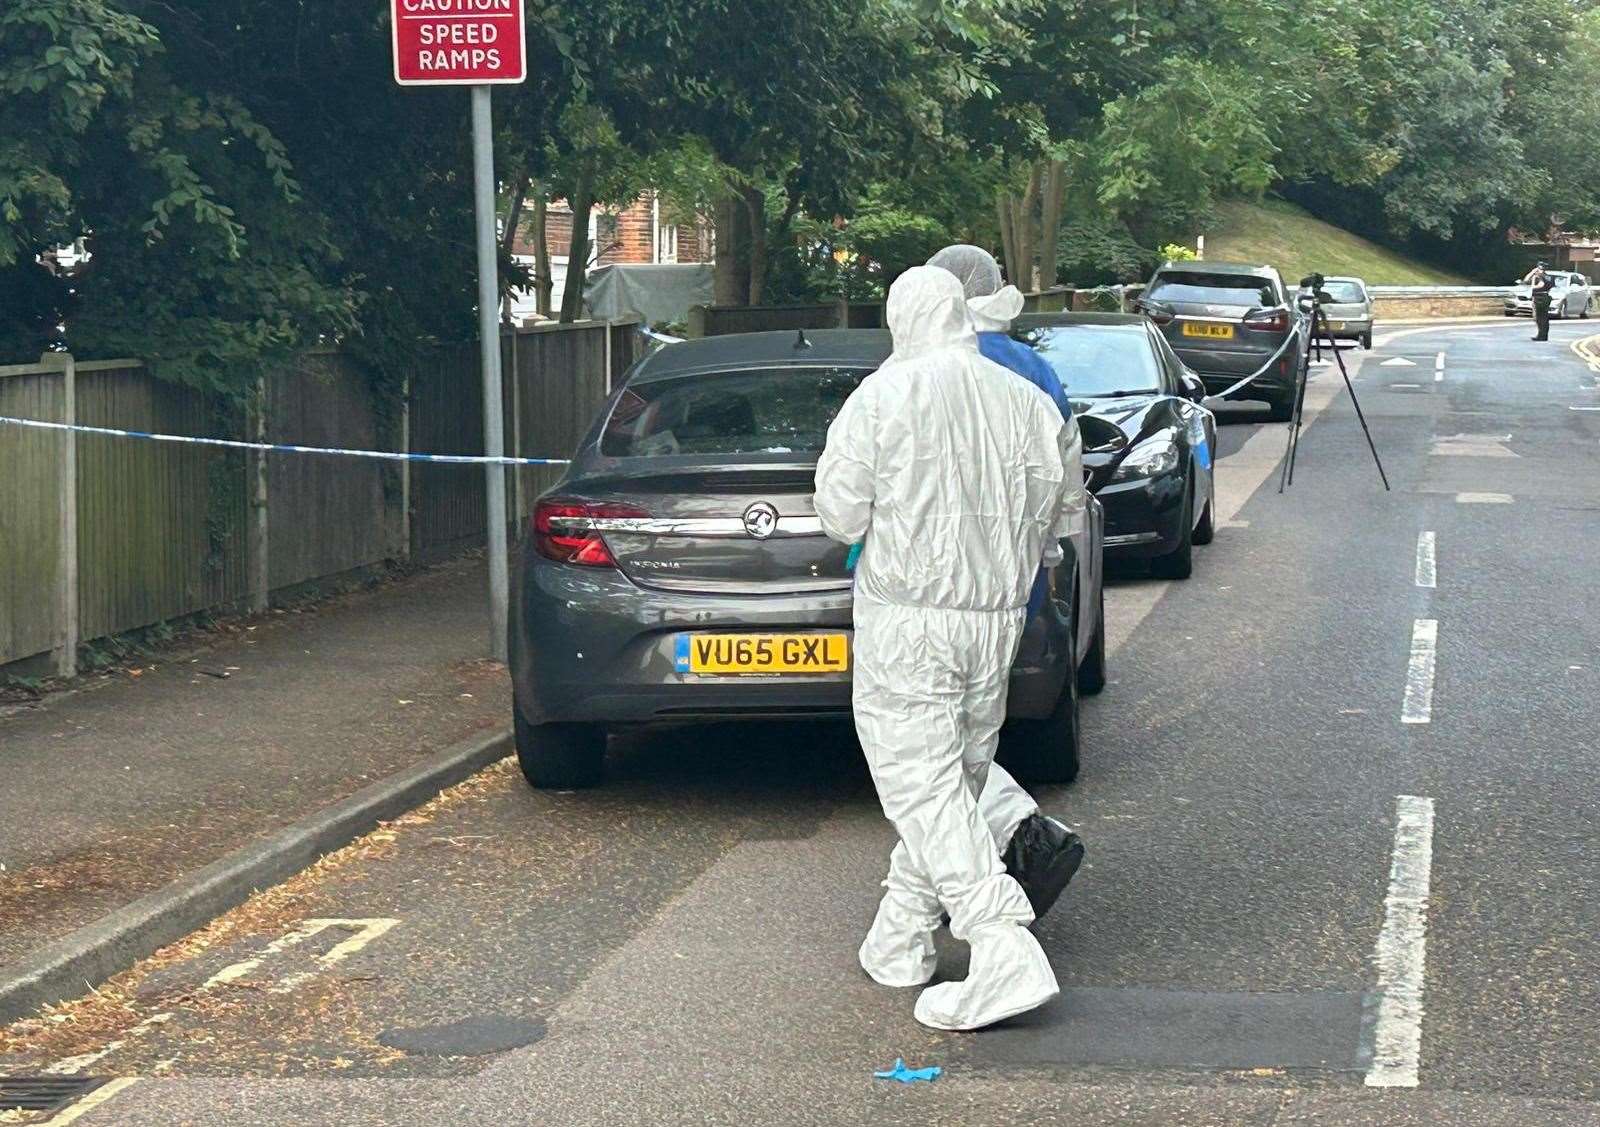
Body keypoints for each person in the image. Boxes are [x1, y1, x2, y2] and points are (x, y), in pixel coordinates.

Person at [815, 266, 1081, 1031]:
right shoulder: (1026, 402)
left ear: (903, 319)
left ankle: (1000, 940)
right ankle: (900, 937)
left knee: (920, 783)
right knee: (954, 776)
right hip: (995, 619)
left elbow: (839, 513)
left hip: (909, 617)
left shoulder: (884, 396)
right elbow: (1060, 514)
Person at [1525, 260, 1554, 341]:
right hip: (1540, 297)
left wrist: (1539, 277)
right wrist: (1532, 273)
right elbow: (1526, 280)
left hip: (1541, 298)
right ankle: (1542, 335)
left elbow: (1542, 285)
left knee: (1541, 317)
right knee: (1540, 317)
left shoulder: (1543, 276)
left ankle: (1542, 335)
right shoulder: (1541, 277)